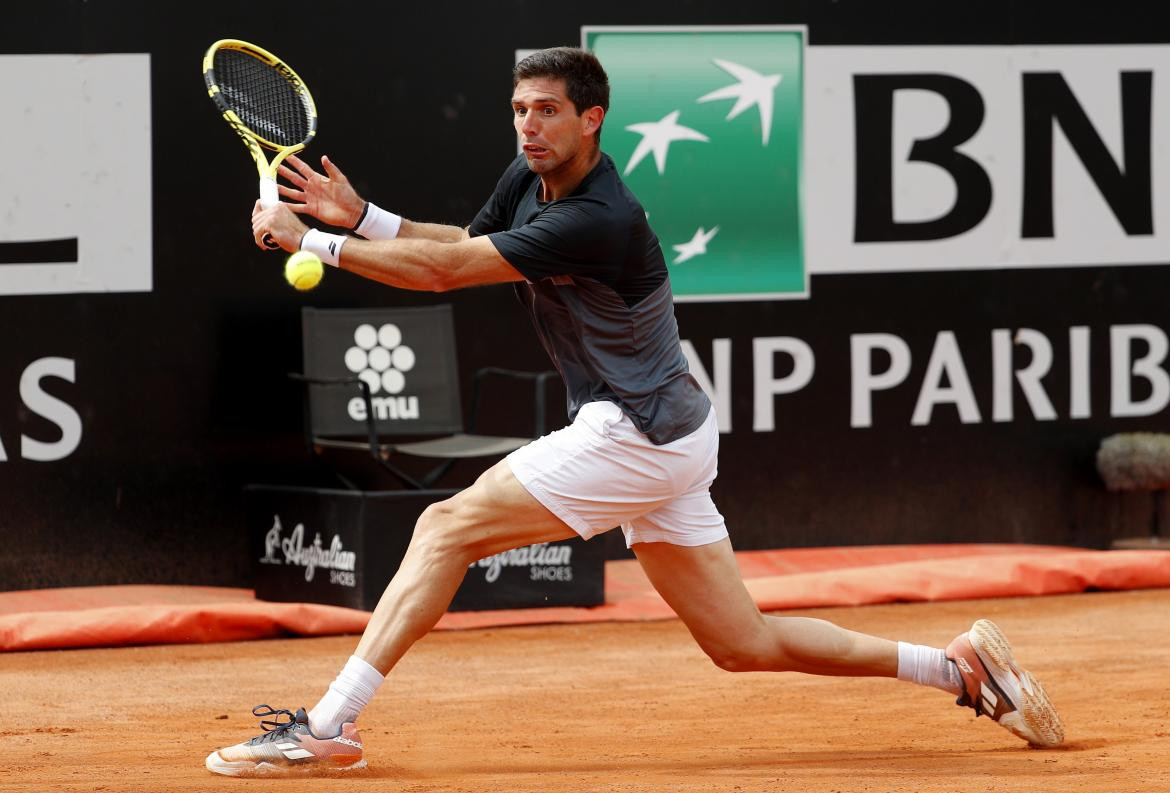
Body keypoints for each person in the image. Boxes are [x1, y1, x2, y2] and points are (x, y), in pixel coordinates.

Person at [206, 47, 1064, 777]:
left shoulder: (598, 216)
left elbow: (442, 277)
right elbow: (455, 246)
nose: (527, 125)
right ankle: (957, 669)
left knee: (444, 527)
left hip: (637, 431)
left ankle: (328, 726)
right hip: (673, 431)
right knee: (742, 641)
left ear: (594, 119)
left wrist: (312, 241)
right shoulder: (532, 175)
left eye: (546, 110)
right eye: (517, 109)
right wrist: (360, 217)